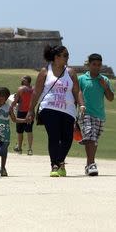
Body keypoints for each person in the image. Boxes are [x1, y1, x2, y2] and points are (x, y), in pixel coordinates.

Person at [26, 45, 85, 177]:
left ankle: (60, 162)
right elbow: (36, 92)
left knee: (68, 138)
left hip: (68, 109)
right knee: (54, 136)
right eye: (65, 55)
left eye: (67, 55)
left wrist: (81, 104)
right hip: (49, 108)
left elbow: (77, 90)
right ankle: (54, 165)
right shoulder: (45, 71)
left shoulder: (71, 72)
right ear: (56, 57)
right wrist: (31, 110)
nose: (67, 58)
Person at [78, 53, 114, 176]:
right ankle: (92, 163)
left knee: (93, 140)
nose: (97, 67)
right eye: (94, 64)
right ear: (89, 65)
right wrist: (81, 105)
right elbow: (78, 93)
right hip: (85, 113)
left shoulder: (105, 80)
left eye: (99, 65)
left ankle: (88, 165)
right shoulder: (82, 79)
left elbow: (110, 98)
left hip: (100, 115)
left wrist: (105, 87)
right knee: (90, 137)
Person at [0, 87, 26, 177]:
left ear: (2, 97)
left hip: (5, 133)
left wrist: (25, 120)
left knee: (4, 151)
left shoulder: (8, 108)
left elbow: (14, 119)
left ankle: (3, 168)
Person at [11, 75, 34, 155]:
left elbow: (15, 101)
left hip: (21, 111)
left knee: (20, 131)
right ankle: (30, 149)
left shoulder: (21, 89)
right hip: (30, 111)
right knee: (29, 131)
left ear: (26, 81)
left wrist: (10, 107)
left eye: (23, 79)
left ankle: (20, 149)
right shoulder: (33, 89)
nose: (21, 80)